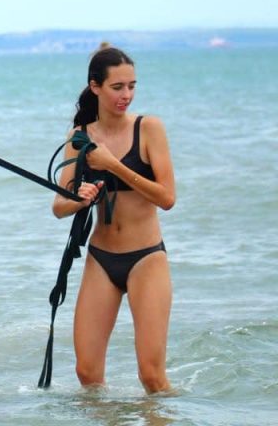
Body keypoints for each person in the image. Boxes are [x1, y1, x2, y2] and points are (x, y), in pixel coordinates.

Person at [51, 45, 176, 393]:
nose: (127, 95)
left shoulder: (149, 128)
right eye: (117, 87)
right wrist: (80, 200)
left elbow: (167, 197)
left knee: (151, 377)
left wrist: (113, 166)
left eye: (132, 86)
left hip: (146, 257)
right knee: (87, 374)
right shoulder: (80, 138)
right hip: (101, 260)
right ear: (95, 87)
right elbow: (59, 206)